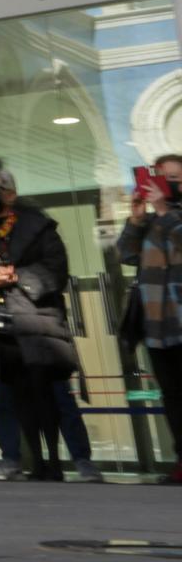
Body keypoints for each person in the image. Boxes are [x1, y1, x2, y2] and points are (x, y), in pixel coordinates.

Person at [0, 157, 75, 481]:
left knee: (47, 392)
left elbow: (56, 269)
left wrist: (18, 276)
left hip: (37, 321)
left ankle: (57, 460)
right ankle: (32, 459)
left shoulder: (37, 225)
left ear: (8, 191)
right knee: (15, 393)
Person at [118, 151, 182, 485]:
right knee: (172, 397)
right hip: (158, 325)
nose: (168, 185)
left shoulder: (172, 217)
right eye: (162, 178)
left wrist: (164, 210)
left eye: (174, 179)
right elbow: (126, 254)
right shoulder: (156, 219)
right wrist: (137, 220)